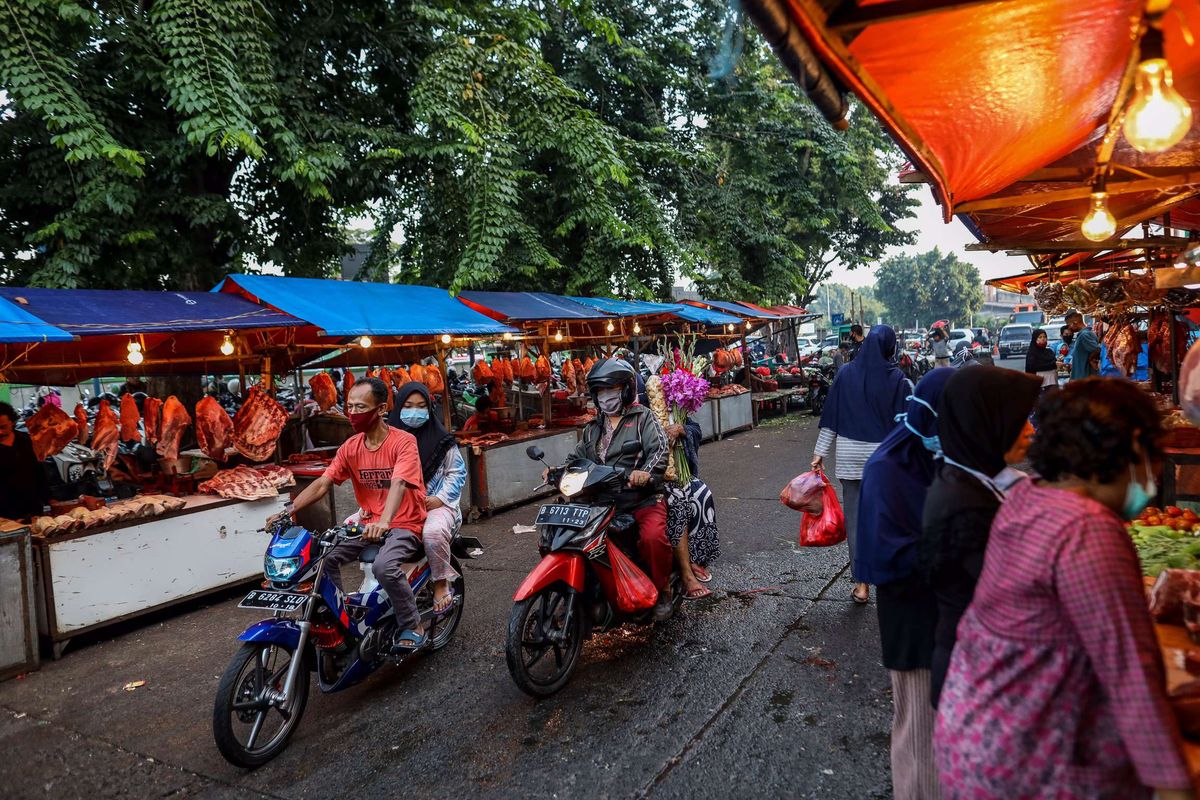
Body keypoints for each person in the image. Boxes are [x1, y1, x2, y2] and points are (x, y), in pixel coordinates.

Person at [934, 380, 1193, 800]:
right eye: (1150, 454)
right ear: (1123, 448)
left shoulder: (1026, 499)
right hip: (1031, 766)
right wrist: (1173, 787)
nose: (1153, 471)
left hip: (976, 740)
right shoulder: (1086, 529)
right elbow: (1130, 671)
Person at [272, 377, 430, 653]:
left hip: (404, 523)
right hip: (368, 524)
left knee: (384, 567)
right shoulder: (351, 447)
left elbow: (399, 483)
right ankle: (343, 616)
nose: (353, 413)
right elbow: (323, 482)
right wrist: (289, 510)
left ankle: (412, 624)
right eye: (350, 406)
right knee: (323, 559)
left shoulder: (403, 442)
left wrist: (384, 521)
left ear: (381, 409)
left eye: (360, 407)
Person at [857, 368, 954, 800]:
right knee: (917, 730)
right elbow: (884, 554)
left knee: (935, 728)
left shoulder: (937, 460)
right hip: (910, 617)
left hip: (942, 615)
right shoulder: (886, 467)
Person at [918, 366, 1040, 704]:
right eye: (1019, 420)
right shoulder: (966, 505)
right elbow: (1017, 596)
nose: (1030, 430)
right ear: (985, 423)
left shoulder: (969, 479)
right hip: (975, 682)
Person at [811, 325, 911, 604]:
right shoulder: (898, 380)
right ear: (890, 347)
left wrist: (819, 453)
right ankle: (888, 580)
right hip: (883, 462)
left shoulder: (845, 374)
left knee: (855, 523)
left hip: (849, 459)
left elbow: (831, 416)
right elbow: (905, 427)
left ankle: (861, 586)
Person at [569, 358, 673, 621]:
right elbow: (577, 457)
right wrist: (558, 471)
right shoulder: (593, 428)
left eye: (612, 388)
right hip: (602, 501)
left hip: (642, 498)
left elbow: (660, 449)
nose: (606, 396)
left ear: (625, 389)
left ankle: (663, 590)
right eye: (601, 391)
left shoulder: (643, 417)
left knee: (652, 538)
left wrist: (645, 473)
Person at [389, 382, 467, 615]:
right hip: (395, 508)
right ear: (398, 408)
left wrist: (440, 498)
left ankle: (441, 582)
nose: (415, 411)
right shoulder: (387, 440)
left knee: (431, 534)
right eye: (408, 405)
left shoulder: (443, 440)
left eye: (421, 406)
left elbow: (457, 473)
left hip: (435, 506)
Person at [664, 417, 720, 600]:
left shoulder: (673, 404)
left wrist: (681, 429)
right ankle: (685, 570)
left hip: (676, 472)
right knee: (679, 500)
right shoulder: (639, 409)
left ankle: (696, 558)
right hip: (656, 474)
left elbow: (695, 429)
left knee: (701, 492)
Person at [0, 402, 49, 522]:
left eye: (3, 427)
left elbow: (40, 472)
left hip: (32, 507)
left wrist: (49, 498)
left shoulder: (27, 441)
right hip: (4, 512)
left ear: (12, 422)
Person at [1066, 309, 1100, 380]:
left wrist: (1090, 359)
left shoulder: (1084, 335)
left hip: (1084, 378)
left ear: (1075, 322)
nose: (1069, 327)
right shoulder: (1085, 333)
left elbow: (1097, 349)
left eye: (1069, 324)